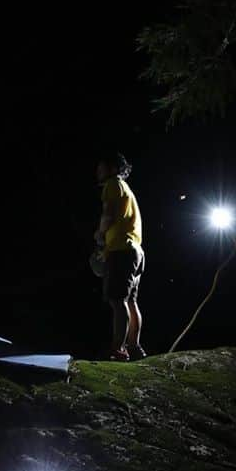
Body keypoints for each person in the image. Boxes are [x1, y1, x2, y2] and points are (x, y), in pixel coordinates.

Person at [94, 152, 145, 361]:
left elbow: (109, 214)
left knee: (117, 300)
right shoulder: (127, 189)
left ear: (113, 168)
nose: (97, 172)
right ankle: (134, 347)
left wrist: (99, 234)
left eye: (101, 167)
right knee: (131, 301)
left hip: (122, 250)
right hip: (136, 250)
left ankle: (118, 349)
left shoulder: (113, 185)